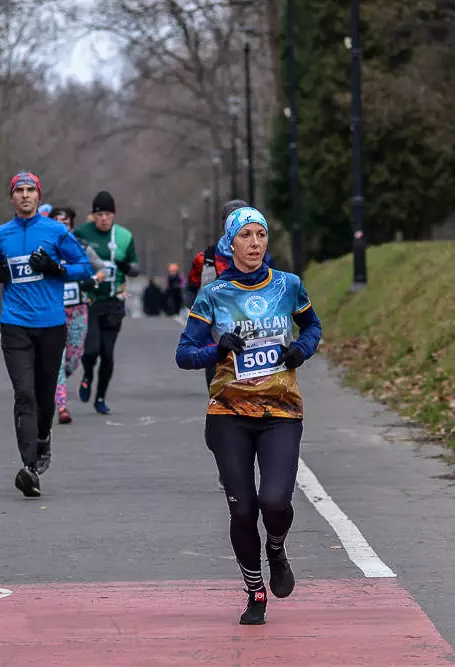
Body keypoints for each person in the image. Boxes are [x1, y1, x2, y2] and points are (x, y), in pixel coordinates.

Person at [175, 206, 322, 626]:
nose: (255, 243)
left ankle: (276, 545)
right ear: (231, 243)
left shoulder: (289, 286)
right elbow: (184, 354)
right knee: (242, 511)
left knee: (274, 502)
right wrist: (218, 349)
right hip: (228, 414)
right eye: (246, 236)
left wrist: (302, 349)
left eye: (261, 235)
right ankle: (255, 591)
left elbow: (312, 327)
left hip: (281, 410)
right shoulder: (214, 294)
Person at [0, 172, 94, 498]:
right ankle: (29, 467)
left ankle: (43, 438)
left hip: (50, 324)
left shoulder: (56, 231)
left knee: (45, 396)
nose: (26, 195)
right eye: (19, 190)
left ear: (37, 195)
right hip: (14, 323)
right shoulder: (1, 234)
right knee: (24, 393)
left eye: (31, 190)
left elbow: (84, 267)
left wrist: (57, 269)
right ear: (12, 197)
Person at [185, 200, 276, 388]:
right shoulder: (206, 259)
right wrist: (199, 314)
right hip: (214, 330)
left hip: (252, 325)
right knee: (217, 383)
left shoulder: (261, 257)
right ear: (224, 226)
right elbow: (191, 288)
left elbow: (274, 290)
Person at [72, 191, 140, 415]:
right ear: (92, 215)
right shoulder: (81, 233)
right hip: (89, 302)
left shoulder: (123, 236)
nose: (103, 218)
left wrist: (127, 267)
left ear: (114, 215)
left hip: (114, 302)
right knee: (91, 351)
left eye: (108, 214)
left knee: (108, 353)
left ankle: (100, 397)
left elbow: (135, 267)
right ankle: (88, 375)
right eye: (99, 214)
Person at [50, 206, 105, 425]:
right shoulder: (46, 248)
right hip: (53, 310)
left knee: (73, 359)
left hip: (78, 309)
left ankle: (52, 379)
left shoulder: (81, 247)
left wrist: (92, 281)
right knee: (57, 357)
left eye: (65, 222)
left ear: (71, 225)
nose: (61, 225)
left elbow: (101, 269)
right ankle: (62, 406)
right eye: (57, 222)